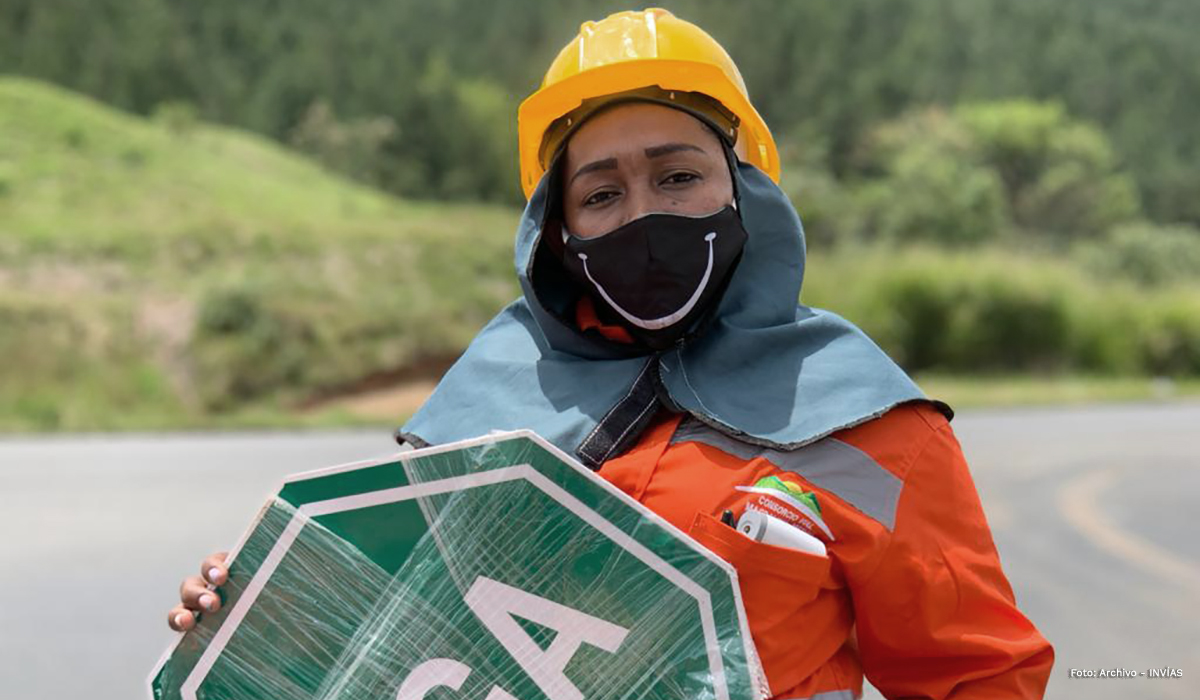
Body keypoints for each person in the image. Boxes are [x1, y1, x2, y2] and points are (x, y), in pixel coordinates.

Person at [168, 9, 1054, 699]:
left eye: (678, 177)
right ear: (558, 232)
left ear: (743, 191)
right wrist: (272, 613)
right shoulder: (487, 409)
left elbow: (978, 677)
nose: (642, 217)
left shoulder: (867, 424)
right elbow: (402, 646)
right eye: (601, 193)